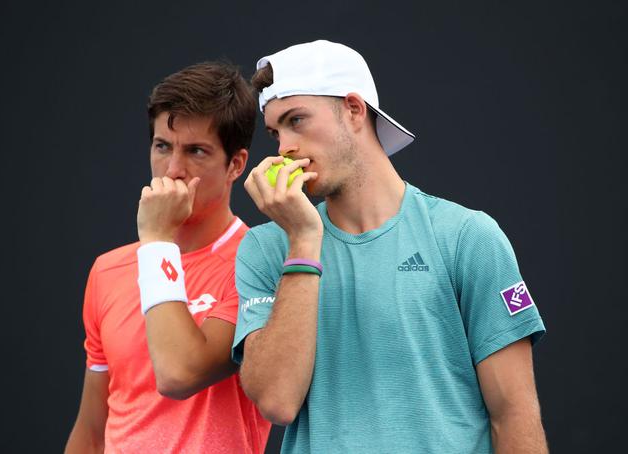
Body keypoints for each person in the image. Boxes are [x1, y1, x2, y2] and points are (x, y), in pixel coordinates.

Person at [233, 40, 548, 453]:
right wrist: (303, 241)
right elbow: (276, 401)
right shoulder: (265, 247)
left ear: (353, 109)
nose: (283, 148)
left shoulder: (467, 237)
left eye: (297, 121)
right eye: (275, 132)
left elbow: (514, 417)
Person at [65, 61, 271, 453]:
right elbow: (92, 430)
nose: (173, 170)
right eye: (162, 146)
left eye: (196, 151)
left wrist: (157, 240)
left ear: (236, 165)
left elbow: (179, 374)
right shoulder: (108, 270)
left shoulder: (256, 262)